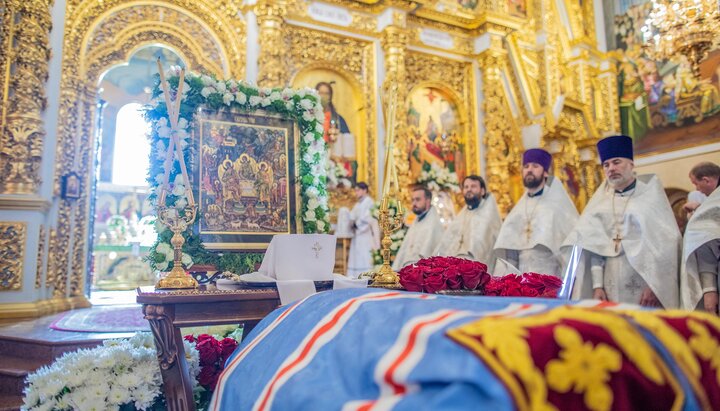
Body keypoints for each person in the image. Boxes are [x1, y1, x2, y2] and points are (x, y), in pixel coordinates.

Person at [561, 135, 681, 308]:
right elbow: (594, 248)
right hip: (609, 285)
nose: (611, 168)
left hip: (643, 284)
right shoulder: (600, 203)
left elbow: (665, 245)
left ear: (631, 164)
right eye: (606, 165)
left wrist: (654, 286)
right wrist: (597, 286)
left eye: (616, 162)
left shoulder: (650, 197)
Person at [494, 148, 578, 277]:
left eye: (535, 166)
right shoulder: (518, 210)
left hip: (549, 279)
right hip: (521, 282)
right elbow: (510, 254)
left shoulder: (557, 206)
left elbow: (568, 251)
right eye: (526, 166)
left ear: (545, 172)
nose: (529, 170)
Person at [434, 175, 502, 271]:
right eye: (466, 187)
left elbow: (480, 248)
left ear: (482, 191)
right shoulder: (463, 214)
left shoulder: (488, 215)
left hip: (475, 268)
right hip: (456, 268)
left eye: (473, 186)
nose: (469, 189)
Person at [681, 164, 720, 314]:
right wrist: (709, 290)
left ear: (707, 180)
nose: (697, 189)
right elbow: (705, 247)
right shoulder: (710, 207)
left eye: (696, 184)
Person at [392, 186, 445, 271]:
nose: (414, 203)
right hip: (408, 271)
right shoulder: (417, 221)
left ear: (428, 201)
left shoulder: (433, 224)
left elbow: (427, 254)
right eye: (413, 200)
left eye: (418, 199)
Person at [347, 182, 378, 278]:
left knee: (364, 257)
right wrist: (351, 222)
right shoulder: (358, 204)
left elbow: (367, 219)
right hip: (357, 235)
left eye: (358, 190)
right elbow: (351, 216)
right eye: (355, 190)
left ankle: (366, 276)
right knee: (356, 258)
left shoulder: (369, 202)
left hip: (365, 235)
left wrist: (356, 224)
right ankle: (355, 277)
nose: (356, 192)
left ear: (364, 190)